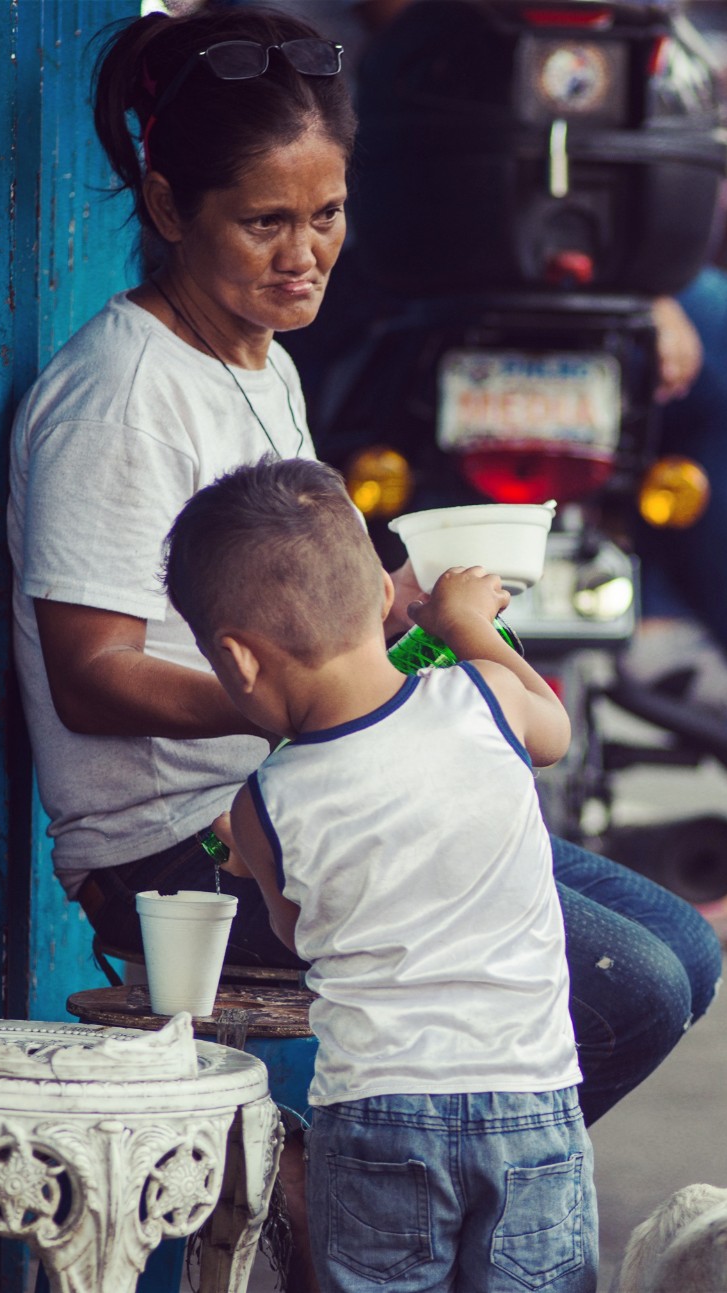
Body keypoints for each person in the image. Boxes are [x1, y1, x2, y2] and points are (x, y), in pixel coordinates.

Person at [5, 5, 716, 1127]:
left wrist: (401, 606)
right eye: (265, 223)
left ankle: (410, 1179)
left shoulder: (261, 362)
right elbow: (91, 674)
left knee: (681, 949)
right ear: (166, 209)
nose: (305, 256)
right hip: (187, 855)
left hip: (315, 793)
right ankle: (379, 1190)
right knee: (628, 992)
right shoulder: (124, 398)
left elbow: (301, 598)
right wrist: (302, 703)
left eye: (327, 214)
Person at [273, 0, 727, 850]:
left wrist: (647, 281)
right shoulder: (297, 28)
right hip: (378, 269)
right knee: (286, 392)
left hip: (592, 275)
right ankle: (321, 677)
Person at [165, 457, 596, 1293]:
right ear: (381, 600)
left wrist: (255, 858)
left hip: (376, 1112)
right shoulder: (484, 702)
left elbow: (297, 932)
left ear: (238, 660)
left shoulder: (263, 802)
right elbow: (556, 729)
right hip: (529, 1097)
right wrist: (470, 624)